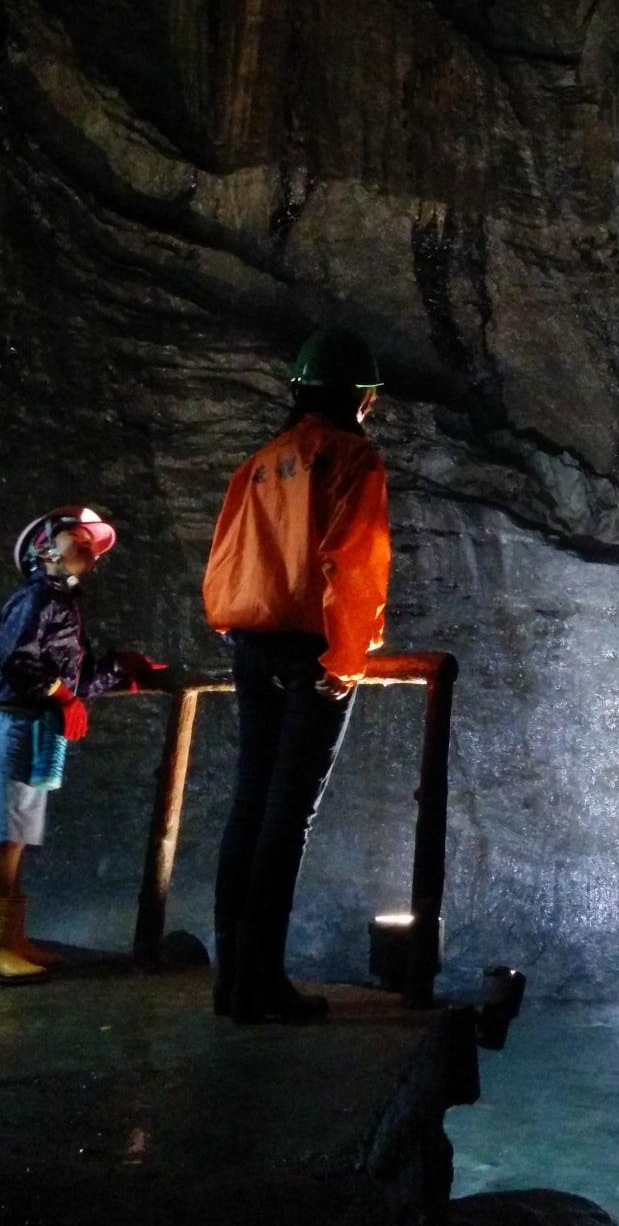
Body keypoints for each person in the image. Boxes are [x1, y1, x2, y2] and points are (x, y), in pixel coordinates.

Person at [202, 327, 391, 1024]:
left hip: (251, 647)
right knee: (287, 815)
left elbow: (224, 563)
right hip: (310, 652)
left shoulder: (260, 462)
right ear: (358, 398)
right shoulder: (353, 458)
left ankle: (232, 980)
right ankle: (259, 985)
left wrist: (240, 629)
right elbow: (356, 563)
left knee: (250, 804)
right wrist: (344, 662)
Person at [0, 506, 160, 983]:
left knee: (18, 834)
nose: (89, 547)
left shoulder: (62, 604)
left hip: (33, 726)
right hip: (16, 722)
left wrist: (123, 666)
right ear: (45, 548)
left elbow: (78, 682)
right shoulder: (36, 598)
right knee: (6, 836)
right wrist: (62, 697)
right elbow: (17, 658)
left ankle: (11, 938)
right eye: (78, 536)